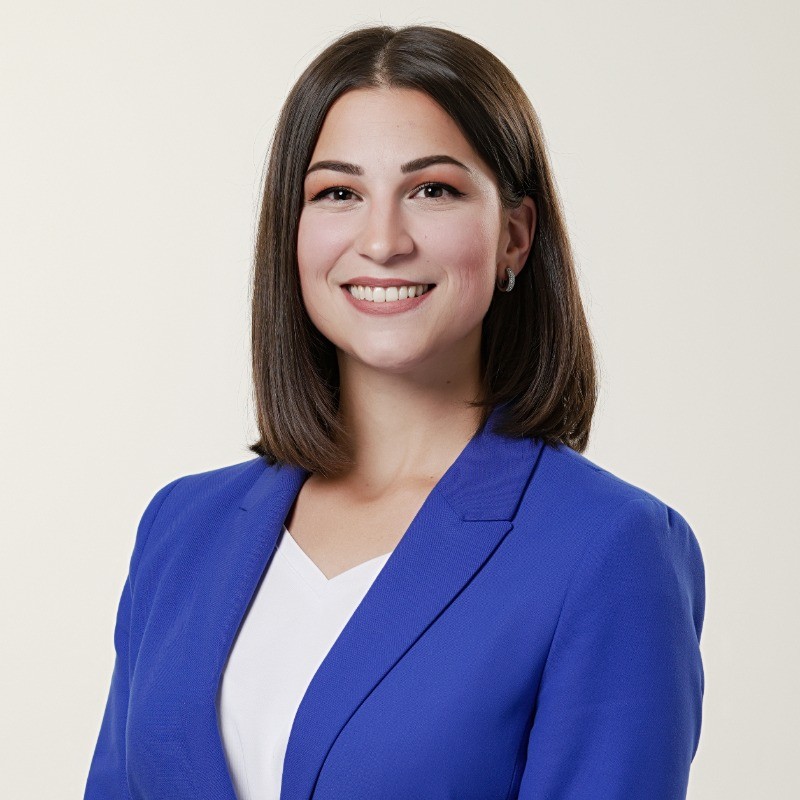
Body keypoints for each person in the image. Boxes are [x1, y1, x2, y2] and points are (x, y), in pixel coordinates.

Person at [84, 23, 706, 800]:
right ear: (292, 231)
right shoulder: (180, 530)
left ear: (514, 237)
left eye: (432, 190)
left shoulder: (608, 548)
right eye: (338, 193)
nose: (381, 241)